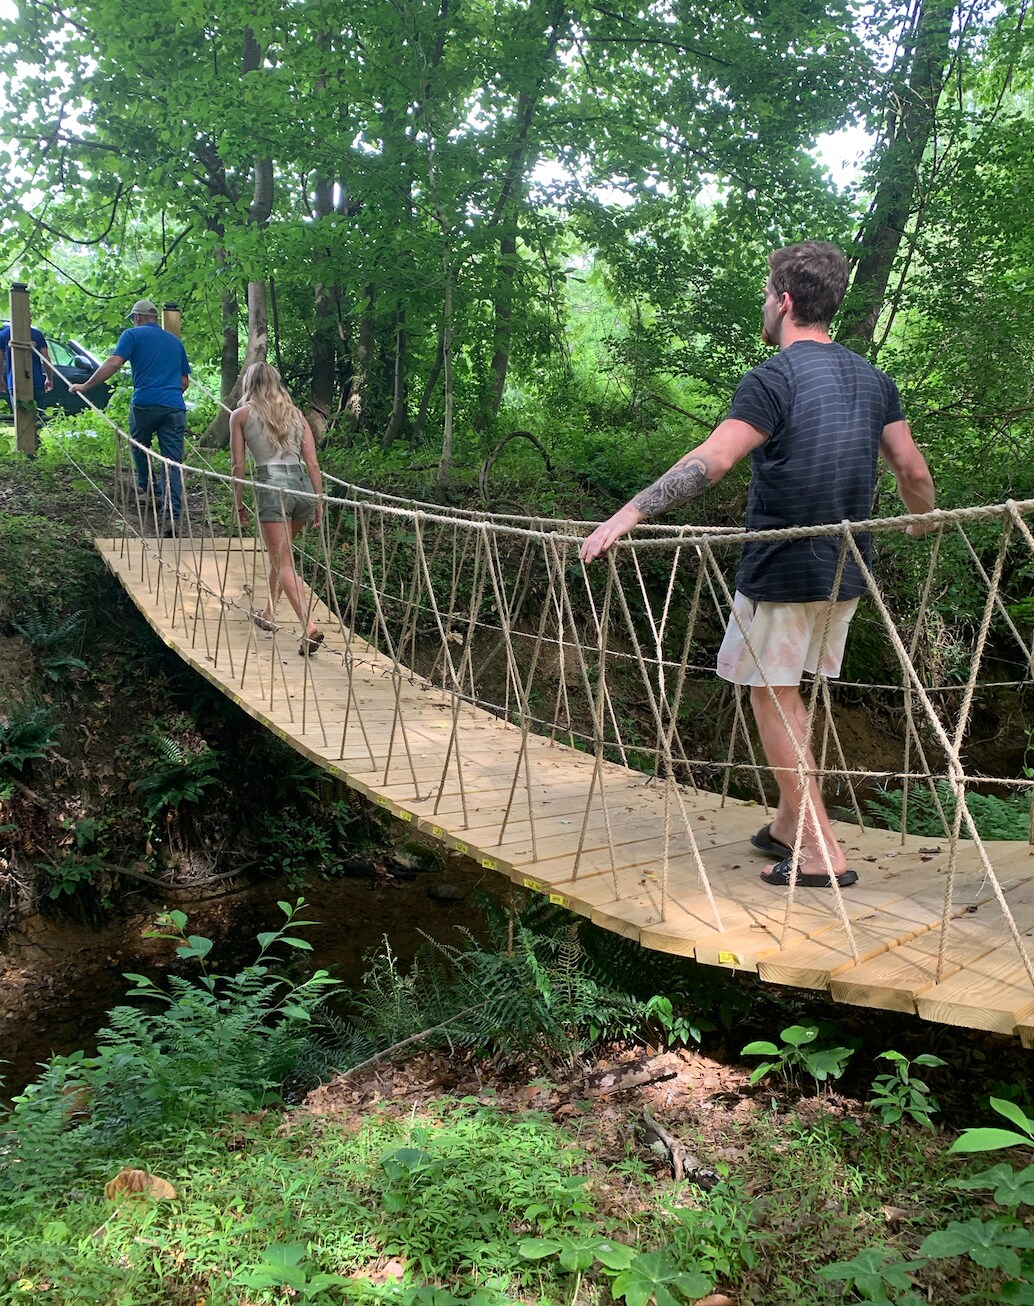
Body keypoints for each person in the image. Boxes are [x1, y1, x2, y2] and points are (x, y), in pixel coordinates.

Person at [579, 241, 935, 890]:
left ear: (787, 302)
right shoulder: (872, 379)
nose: (764, 304)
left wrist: (627, 515)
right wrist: (920, 518)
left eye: (767, 293)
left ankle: (820, 851)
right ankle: (783, 823)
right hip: (847, 574)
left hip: (784, 570)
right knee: (791, 693)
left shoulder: (772, 379)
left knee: (775, 699)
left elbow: (712, 462)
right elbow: (912, 470)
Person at [68, 299, 191, 535]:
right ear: (154, 318)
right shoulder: (175, 343)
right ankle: (172, 517)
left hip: (145, 403)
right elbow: (184, 381)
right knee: (172, 463)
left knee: (139, 445)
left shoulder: (132, 335)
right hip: (175, 406)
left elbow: (114, 362)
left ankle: (148, 487)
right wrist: (169, 395)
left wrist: (86, 385)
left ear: (136, 317)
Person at [229, 361, 326, 657]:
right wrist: (319, 500)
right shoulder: (297, 415)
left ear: (249, 384)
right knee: (279, 556)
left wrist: (238, 503)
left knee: (283, 563)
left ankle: (308, 626)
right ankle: (269, 614)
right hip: (302, 489)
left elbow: (238, 466)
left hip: (272, 487)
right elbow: (312, 463)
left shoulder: (241, 415)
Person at [0, 321, 53, 413]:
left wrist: (0, 379)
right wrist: (49, 378)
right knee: (36, 415)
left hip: (14, 382)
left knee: (20, 413)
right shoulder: (37, 334)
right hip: (36, 382)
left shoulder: (4, 334)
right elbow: (46, 358)